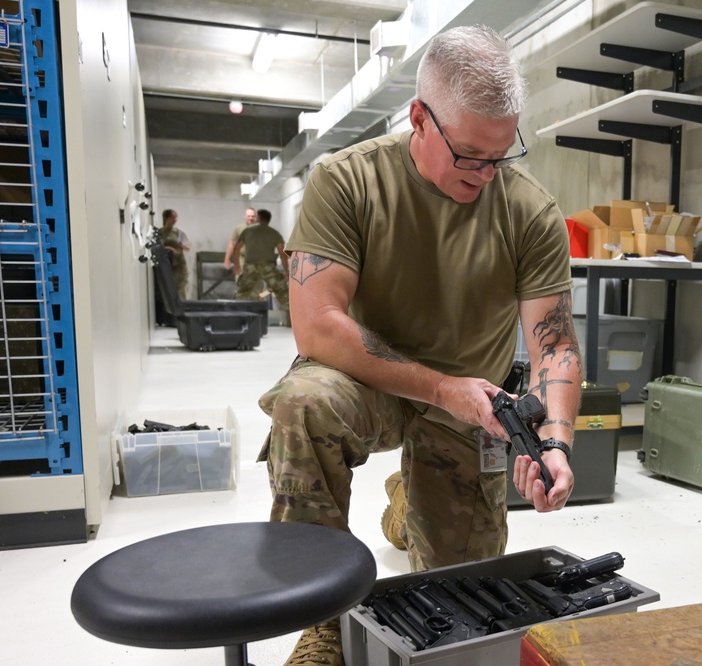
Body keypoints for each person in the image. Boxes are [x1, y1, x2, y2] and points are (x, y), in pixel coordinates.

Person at [258, 24, 581, 666]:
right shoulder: (346, 181)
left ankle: (412, 502)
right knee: (304, 402)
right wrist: (440, 388)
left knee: (464, 601)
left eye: (502, 154)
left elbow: (554, 345)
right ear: (419, 119)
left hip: (474, 409)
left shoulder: (529, 212)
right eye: (469, 155)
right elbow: (318, 324)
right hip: (367, 384)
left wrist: (555, 442)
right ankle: (319, 615)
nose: (486, 174)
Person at [231, 208, 291, 325]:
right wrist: (286, 271)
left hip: (250, 267)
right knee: (282, 292)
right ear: (269, 220)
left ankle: (234, 318)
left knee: (243, 292)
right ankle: (292, 321)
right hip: (268, 267)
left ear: (258, 218)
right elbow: (283, 254)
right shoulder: (275, 233)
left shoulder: (247, 231)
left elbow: (236, 248)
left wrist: (237, 265)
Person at [159, 209, 190, 300]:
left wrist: (180, 245)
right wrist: (168, 248)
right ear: (166, 218)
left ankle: (182, 308)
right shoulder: (159, 233)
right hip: (165, 264)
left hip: (178, 265)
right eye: (172, 218)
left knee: (180, 289)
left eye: (175, 218)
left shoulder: (178, 233)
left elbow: (187, 247)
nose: (174, 220)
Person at [223, 206, 257, 288]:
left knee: (256, 283)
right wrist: (227, 259)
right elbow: (232, 244)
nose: (250, 218)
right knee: (242, 281)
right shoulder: (239, 228)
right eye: (249, 216)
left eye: (252, 216)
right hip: (242, 258)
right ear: (245, 216)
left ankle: (256, 300)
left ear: (255, 217)